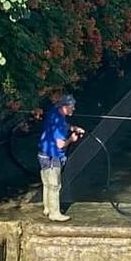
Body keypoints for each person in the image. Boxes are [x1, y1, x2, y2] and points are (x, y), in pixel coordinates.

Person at [38, 94, 84, 222]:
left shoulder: (54, 114)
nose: (73, 109)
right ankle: (55, 213)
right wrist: (71, 139)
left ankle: (47, 208)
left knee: (46, 184)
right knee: (54, 186)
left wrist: (73, 128)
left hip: (43, 153)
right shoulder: (58, 122)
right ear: (64, 107)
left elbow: (63, 124)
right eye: (72, 107)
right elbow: (61, 144)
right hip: (52, 156)